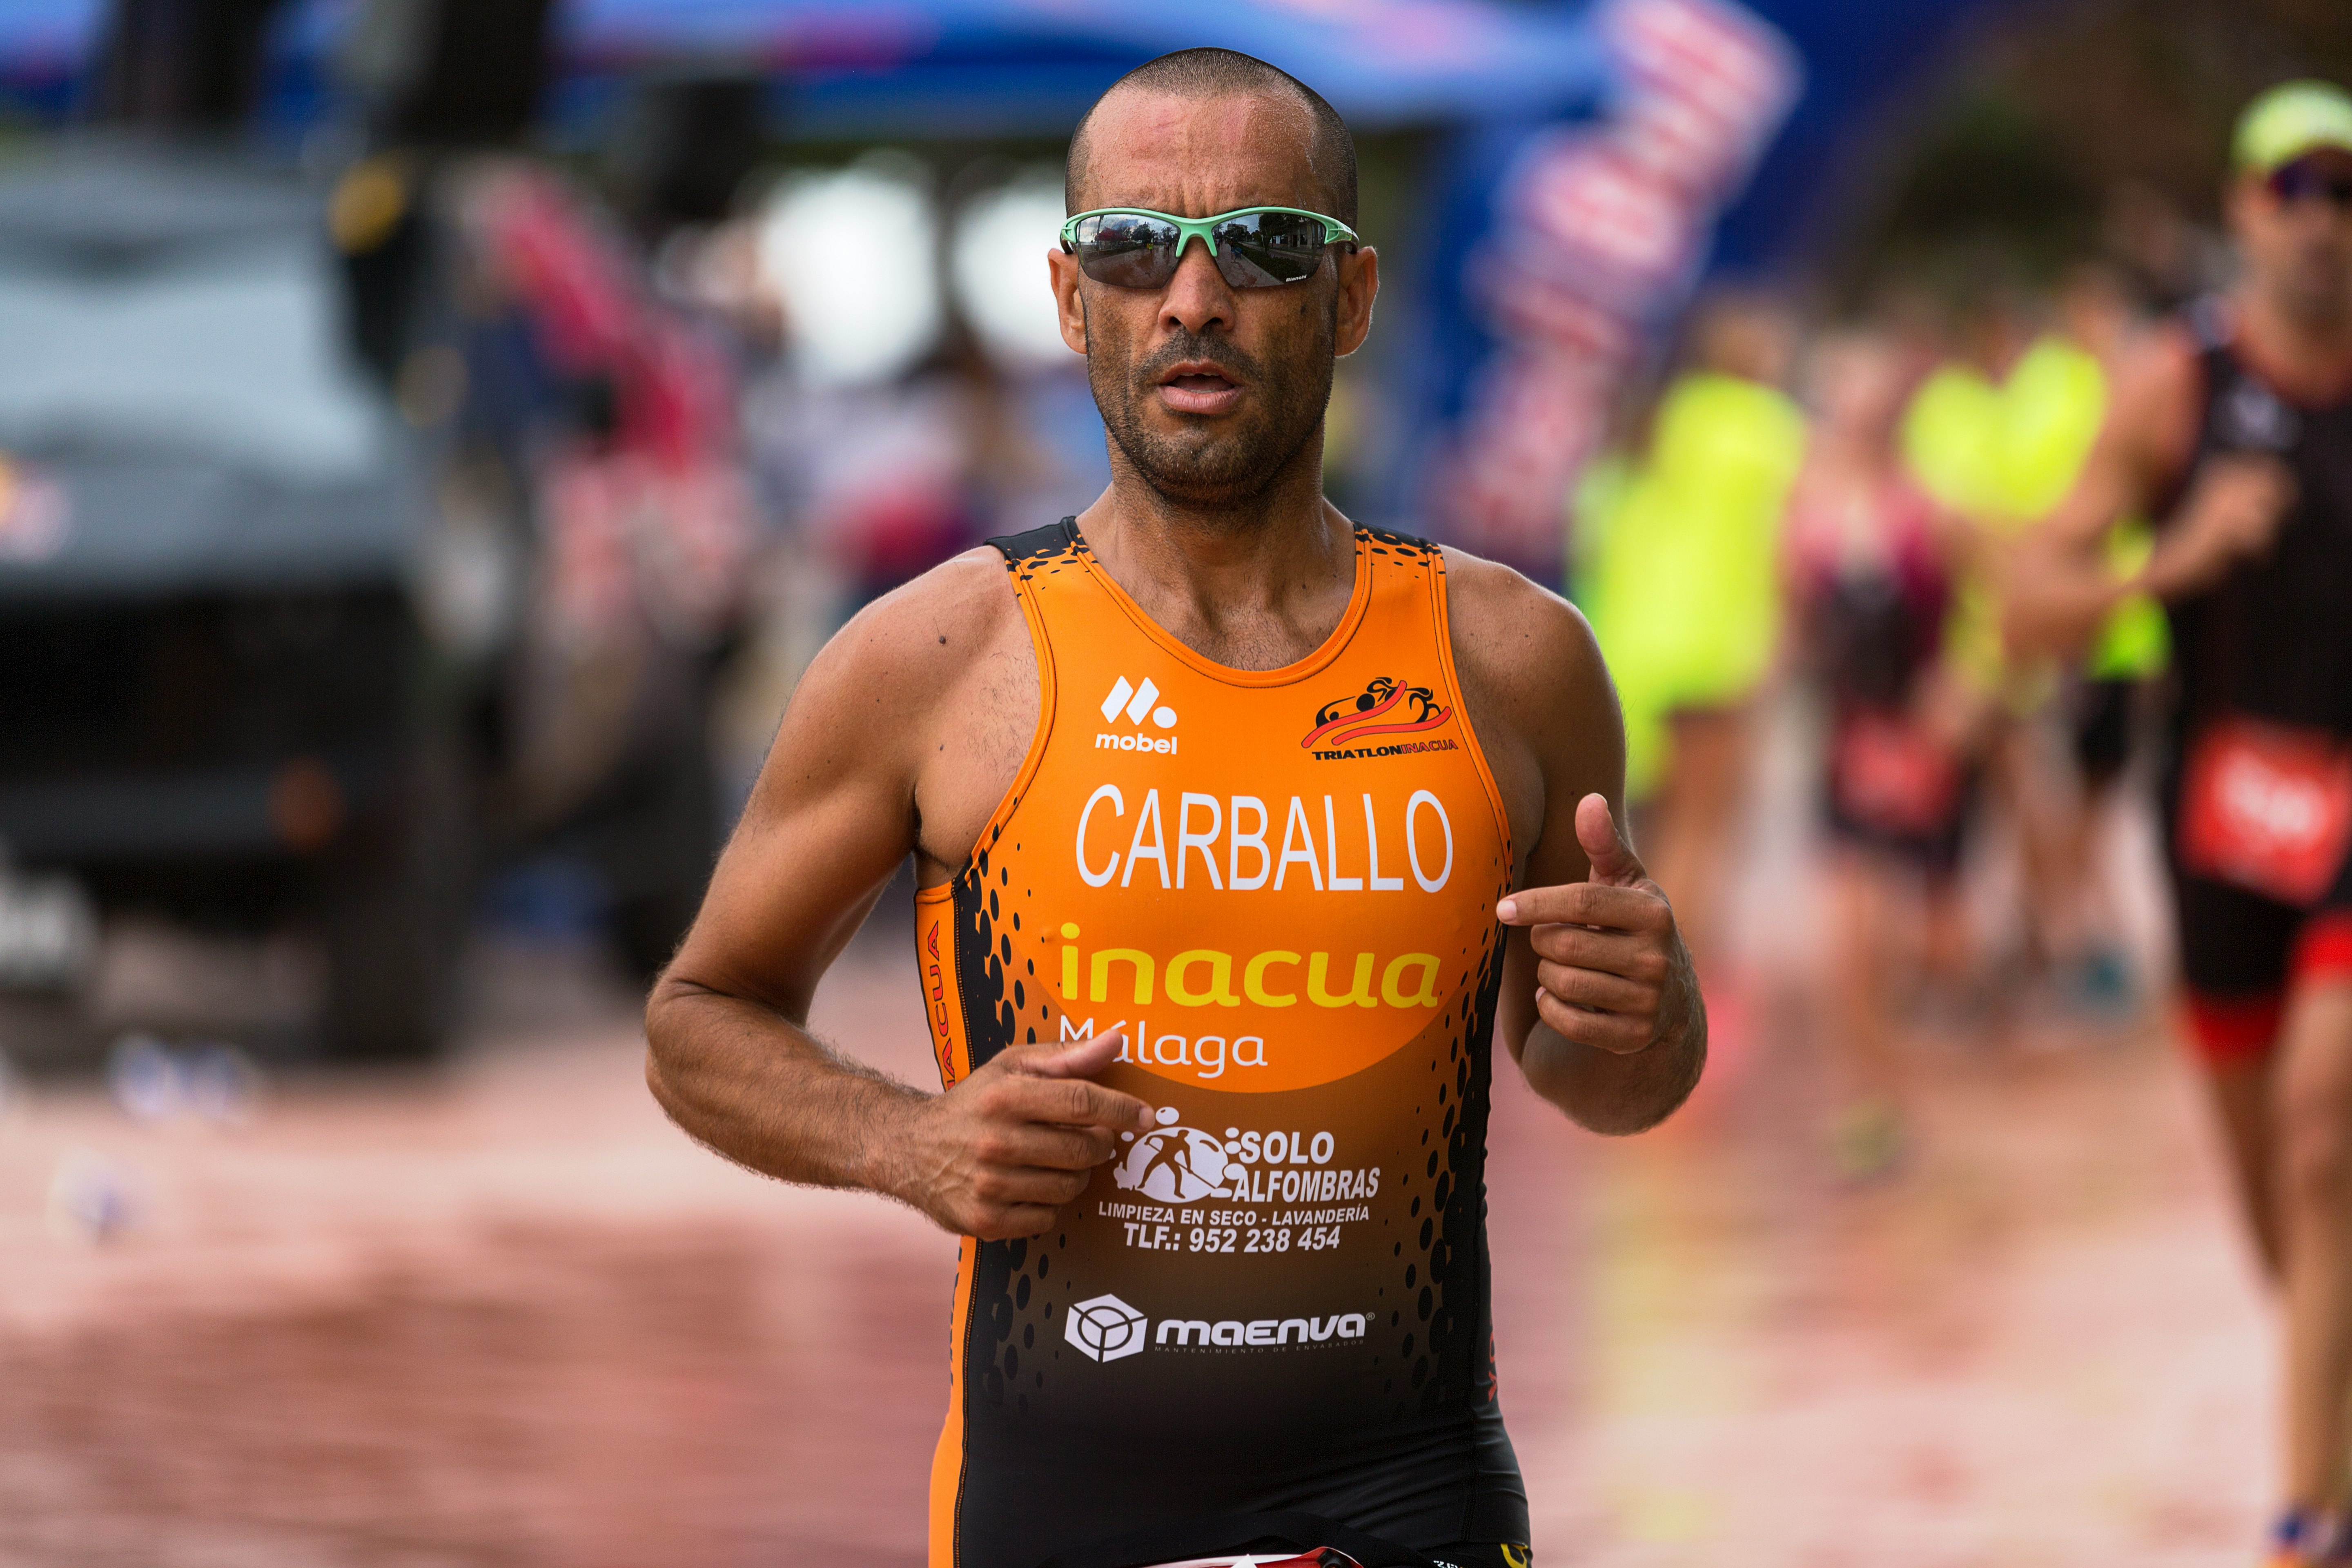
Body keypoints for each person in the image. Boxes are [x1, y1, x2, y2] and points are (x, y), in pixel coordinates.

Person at [641, 48, 1705, 1568]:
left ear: (1351, 298)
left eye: (1263, 246)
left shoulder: (1515, 661)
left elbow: (1605, 1080)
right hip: (1060, 1511)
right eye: (1134, 249)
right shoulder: (941, 655)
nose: (1191, 299)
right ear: (1074, 302)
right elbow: (699, 1018)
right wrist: (909, 1143)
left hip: (1412, 1504)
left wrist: (1650, 1026)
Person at [2007, 80, 2352, 1567]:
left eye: (2350, 192)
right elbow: (2029, 602)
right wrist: (2175, 563)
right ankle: (2331, 1417)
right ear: (2242, 210)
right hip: (2218, 826)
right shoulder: (2176, 383)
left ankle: (2305, 1515)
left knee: (2327, 1136)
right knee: (2276, 1197)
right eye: (2296, 190)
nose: (2325, 223)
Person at [1783, 329, 1972, 1178]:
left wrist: (1963, 696)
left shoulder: (1936, 512)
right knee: (1849, 939)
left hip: (1923, 742)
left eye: (1867, 410)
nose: (1852, 425)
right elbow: (1793, 629)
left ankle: (1921, 1097)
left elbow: (1989, 617)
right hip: (1849, 746)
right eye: (1841, 408)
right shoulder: (1805, 513)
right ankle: (1874, 1104)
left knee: (1927, 941)